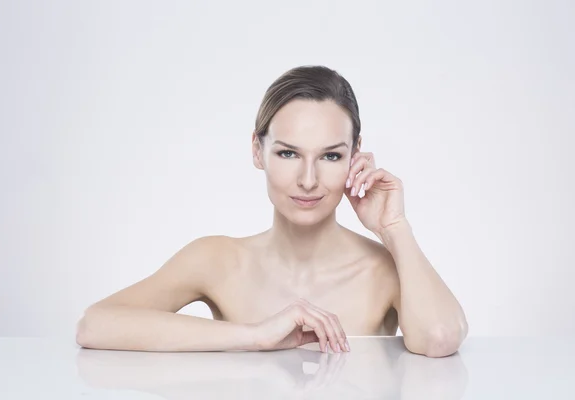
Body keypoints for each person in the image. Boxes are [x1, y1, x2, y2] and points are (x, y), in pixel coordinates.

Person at [76, 65, 468, 357]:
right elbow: (95, 325)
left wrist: (394, 228)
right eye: (288, 153)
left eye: (331, 155)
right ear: (256, 150)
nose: (309, 179)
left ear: (355, 154)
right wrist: (256, 335)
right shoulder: (216, 259)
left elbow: (439, 338)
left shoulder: (384, 267)